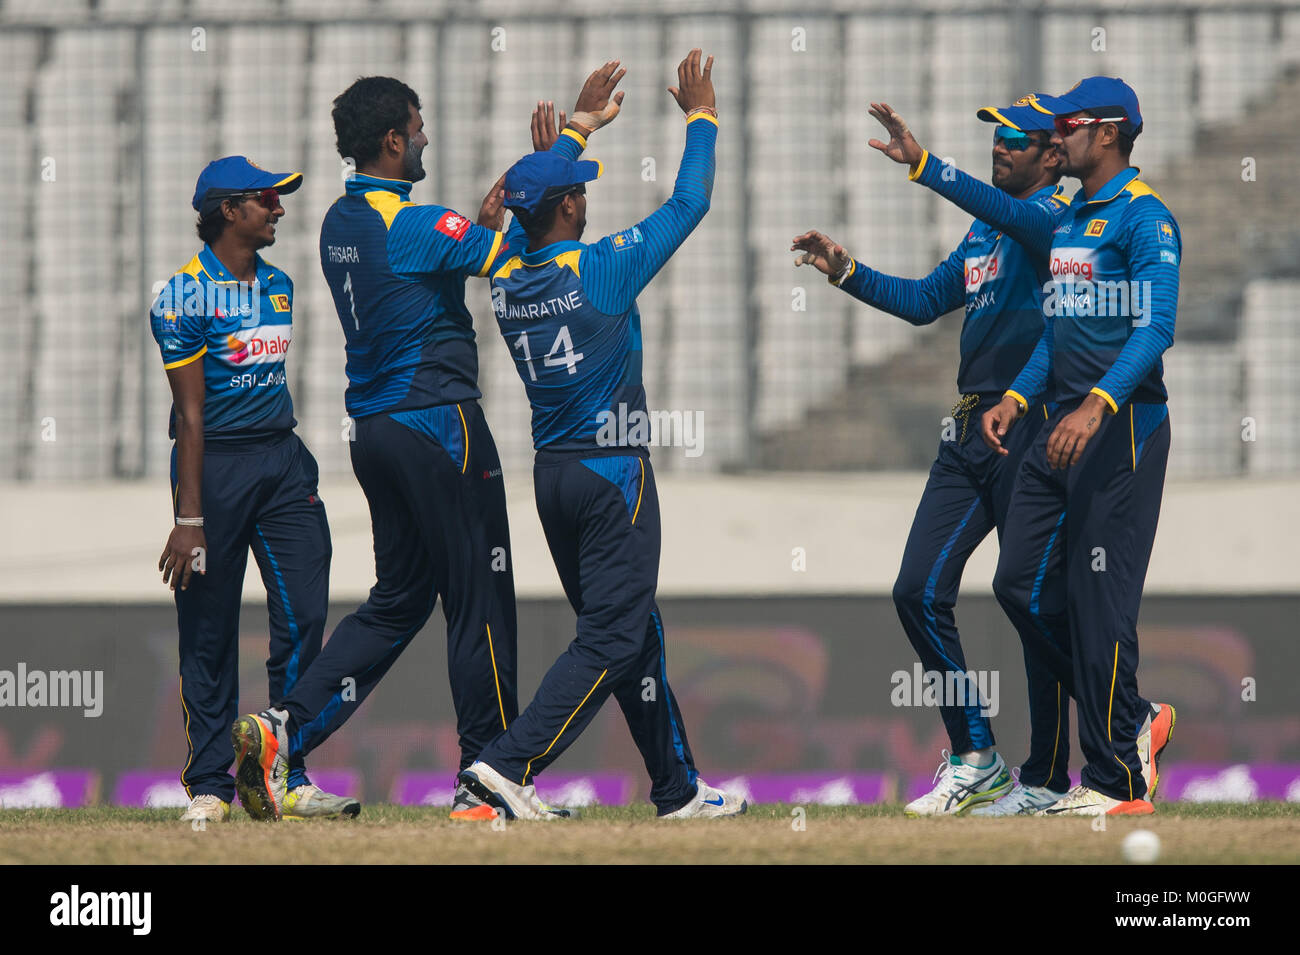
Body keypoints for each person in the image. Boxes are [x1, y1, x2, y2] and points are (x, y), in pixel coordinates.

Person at [231, 67, 627, 821]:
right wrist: (569, 146)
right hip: (440, 423)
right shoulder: (413, 223)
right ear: (389, 140)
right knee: (481, 599)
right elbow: (521, 258)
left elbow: (453, 254)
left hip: (374, 432)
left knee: (398, 600)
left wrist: (492, 215)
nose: (424, 138)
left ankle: (282, 729)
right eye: (416, 128)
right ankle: (488, 781)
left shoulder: (338, 224)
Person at [867, 77, 1178, 815]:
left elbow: (1155, 329)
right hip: (1033, 419)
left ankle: (1104, 778)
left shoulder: (1136, 217)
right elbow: (1056, 329)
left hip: (1117, 424)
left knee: (1092, 600)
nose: (1051, 135)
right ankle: (1108, 734)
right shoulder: (1069, 225)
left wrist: (1097, 403)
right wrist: (1015, 395)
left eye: (1065, 126)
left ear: (1105, 133)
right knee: (1019, 588)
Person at [456, 49, 746, 821]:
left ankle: (678, 790)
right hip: (614, 474)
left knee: (632, 634)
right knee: (614, 638)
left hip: (554, 476)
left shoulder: (506, 273)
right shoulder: (602, 271)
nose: (586, 201)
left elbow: (501, 214)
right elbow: (690, 204)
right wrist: (702, 117)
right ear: (573, 211)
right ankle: (502, 767)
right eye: (579, 193)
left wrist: (568, 141)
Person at [792, 97, 1076, 815]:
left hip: (1031, 420)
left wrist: (924, 165)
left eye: (1015, 139)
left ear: (1052, 156)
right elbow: (924, 301)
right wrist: (846, 269)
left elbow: (1013, 216)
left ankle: (1050, 773)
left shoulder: (1057, 222)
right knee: (916, 588)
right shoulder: (985, 230)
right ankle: (977, 755)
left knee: (1028, 596)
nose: (1000, 147)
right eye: (995, 139)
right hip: (969, 428)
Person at [150, 156, 359, 823]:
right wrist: (189, 516)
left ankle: (284, 772)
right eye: (268, 198)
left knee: (304, 613)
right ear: (229, 210)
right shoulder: (181, 297)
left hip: (281, 462)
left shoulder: (280, 286)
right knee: (208, 630)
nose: (279, 208)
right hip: (213, 472)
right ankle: (211, 785)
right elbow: (191, 416)